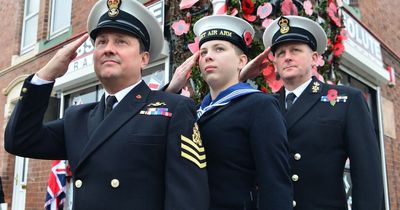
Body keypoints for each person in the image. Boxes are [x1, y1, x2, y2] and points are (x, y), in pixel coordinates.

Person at [4, 0, 209, 209]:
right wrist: (46, 75)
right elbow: (19, 140)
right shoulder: (78, 117)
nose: (108, 49)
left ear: (144, 59)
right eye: (101, 42)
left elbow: (188, 199)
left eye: (120, 41)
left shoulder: (173, 109)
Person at [240, 15, 384, 210]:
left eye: (296, 50)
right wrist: (240, 79)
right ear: (274, 63)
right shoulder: (263, 104)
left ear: (315, 58)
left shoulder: (346, 100)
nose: (287, 57)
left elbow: (367, 173)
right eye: (280, 53)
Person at [166, 15, 293, 210]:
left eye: (219, 49)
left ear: (242, 61)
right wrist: (170, 90)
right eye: (203, 51)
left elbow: (275, 183)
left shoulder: (259, 105)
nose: (208, 56)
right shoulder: (195, 112)